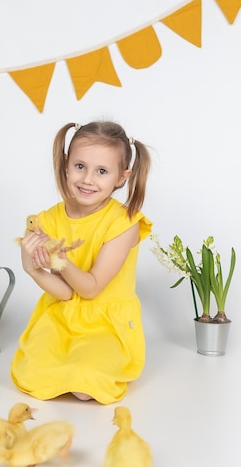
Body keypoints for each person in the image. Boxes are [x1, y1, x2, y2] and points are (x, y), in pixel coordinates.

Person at [10, 120, 152, 404]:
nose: (88, 179)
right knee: (33, 374)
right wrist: (32, 269)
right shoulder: (46, 221)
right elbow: (66, 293)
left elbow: (90, 289)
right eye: (80, 166)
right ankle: (67, 360)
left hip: (107, 322)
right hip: (62, 315)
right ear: (66, 164)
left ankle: (86, 363)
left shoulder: (124, 222)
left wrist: (62, 263)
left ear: (122, 177)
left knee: (86, 387)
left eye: (101, 171)